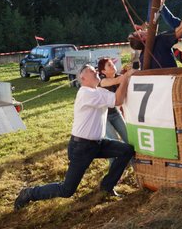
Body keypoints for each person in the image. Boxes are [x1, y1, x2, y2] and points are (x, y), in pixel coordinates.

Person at [14, 64, 135, 211]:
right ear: (83, 78)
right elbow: (117, 100)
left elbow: (119, 99)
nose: (96, 71)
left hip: (97, 144)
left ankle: (106, 187)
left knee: (126, 150)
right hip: (81, 147)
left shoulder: (98, 92)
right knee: (67, 190)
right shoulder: (86, 93)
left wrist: (125, 79)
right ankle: (29, 193)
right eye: (92, 71)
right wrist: (125, 79)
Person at [129, 0, 182, 69]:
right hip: (171, 78)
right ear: (142, 38)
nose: (143, 30)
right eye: (140, 31)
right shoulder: (161, 40)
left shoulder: (142, 57)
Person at [97, 58, 128, 145]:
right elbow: (117, 81)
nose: (113, 66)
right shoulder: (101, 80)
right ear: (103, 71)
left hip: (114, 112)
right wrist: (128, 74)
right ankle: (115, 159)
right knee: (113, 141)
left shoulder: (118, 76)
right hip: (102, 115)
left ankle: (133, 158)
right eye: (109, 65)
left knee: (129, 138)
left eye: (112, 64)